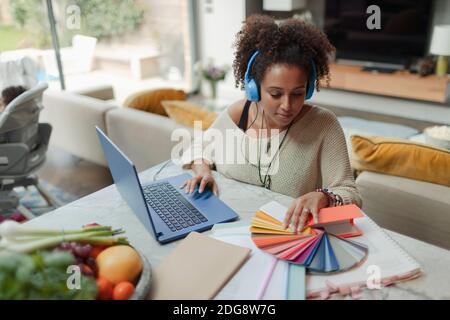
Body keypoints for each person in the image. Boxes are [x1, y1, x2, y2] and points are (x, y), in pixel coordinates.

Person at [181, 15, 361, 233]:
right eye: (275, 94)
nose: (287, 105)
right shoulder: (241, 112)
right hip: (224, 229)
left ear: (309, 89)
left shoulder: (323, 124)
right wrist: (203, 171)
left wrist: (323, 196)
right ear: (254, 88)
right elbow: (199, 147)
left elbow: (351, 194)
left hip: (287, 236)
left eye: (298, 93)